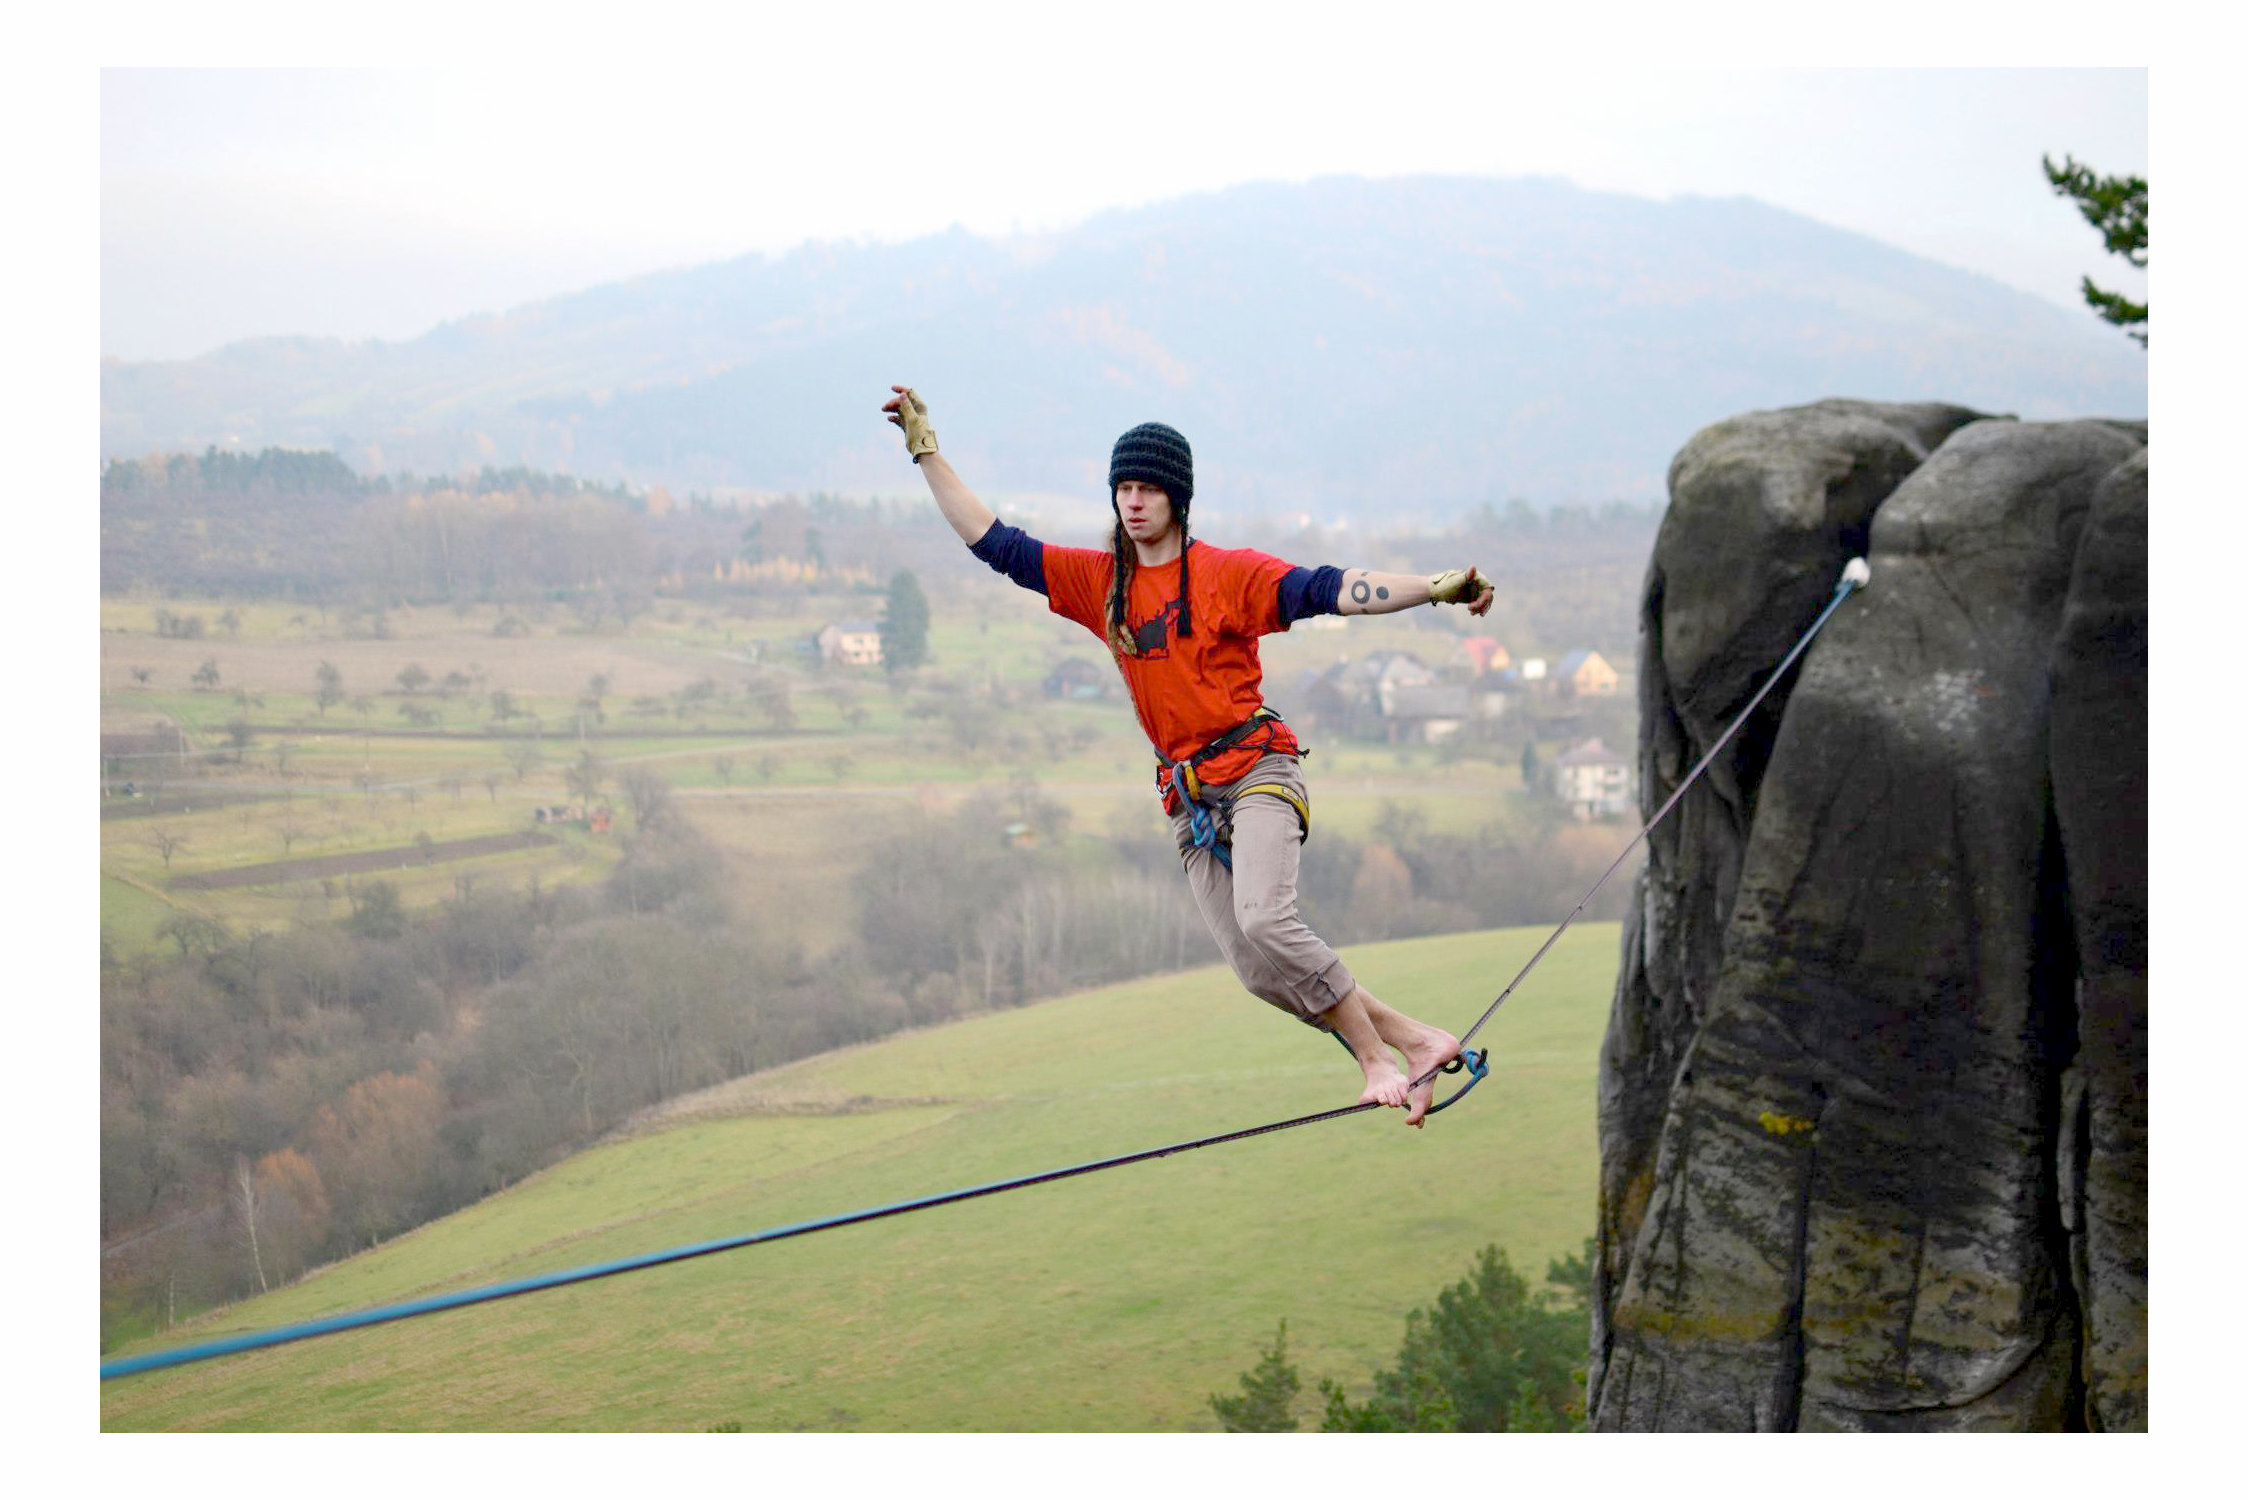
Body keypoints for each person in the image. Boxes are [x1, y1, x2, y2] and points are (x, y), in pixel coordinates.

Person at [880, 385, 1496, 1126]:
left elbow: (1334, 590)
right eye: (1124, 488)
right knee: (1257, 970)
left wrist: (1433, 589)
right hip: (1189, 798)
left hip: (1259, 769)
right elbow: (995, 543)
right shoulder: (1102, 584)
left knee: (1270, 922)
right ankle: (1420, 1039)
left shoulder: (1226, 577)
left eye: (1149, 488)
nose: (1134, 502)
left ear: (1178, 498)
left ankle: (1375, 1058)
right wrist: (927, 453)